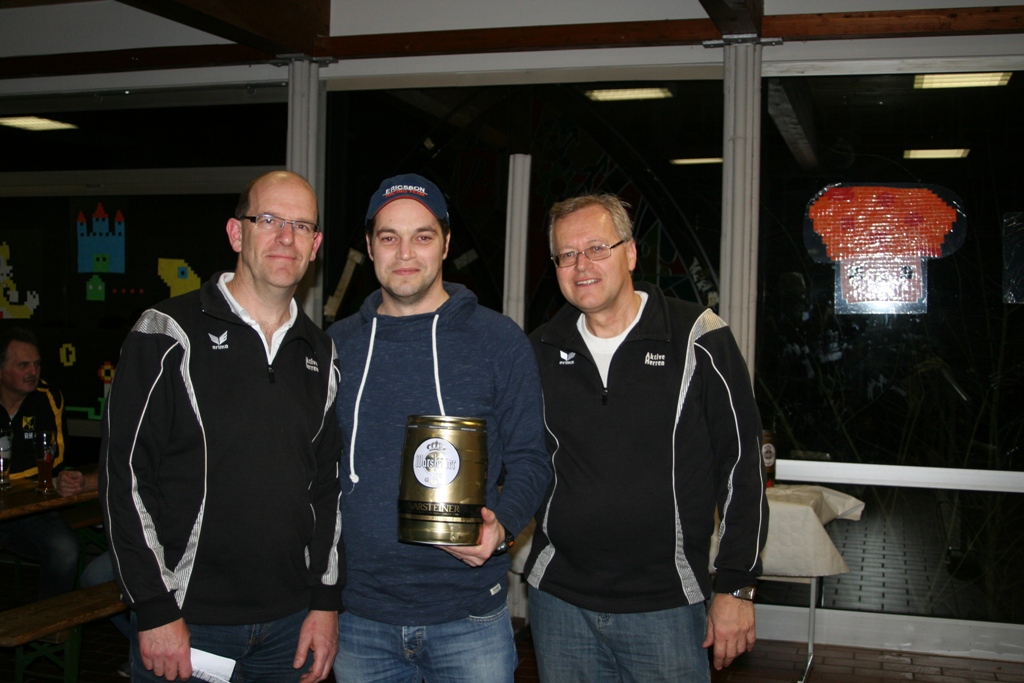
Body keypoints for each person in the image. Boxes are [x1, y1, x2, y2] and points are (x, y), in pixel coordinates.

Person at [100, 170, 345, 683]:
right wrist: (154, 607)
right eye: (269, 220)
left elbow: (326, 488)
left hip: (290, 626)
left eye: (301, 226)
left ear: (315, 245)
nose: (286, 237)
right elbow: (124, 479)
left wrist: (325, 601)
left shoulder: (321, 353)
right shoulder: (167, 333)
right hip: (187, 622)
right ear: (237, 233)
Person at [524, 194, 769, 682]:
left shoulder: (699, 337)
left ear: (631, 253)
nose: (581, 265)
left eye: (597, 248)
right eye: (567, 254)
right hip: (558, 603)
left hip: (666, 605)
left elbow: (742, 465)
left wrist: (736, 587)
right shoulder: (538, 350)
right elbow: (520, 462)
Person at [327, 173, 550, 682]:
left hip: (469, 617)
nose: (405, 252)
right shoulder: (337, 347)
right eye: (389, 237)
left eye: (422, 236)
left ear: (446, 244)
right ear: (370, 247)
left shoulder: (499, 341)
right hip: (359, 619)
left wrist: (502, 527)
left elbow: (532, 458)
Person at [0, 327, 80, 600]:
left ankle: (52, 621)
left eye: (36, 364)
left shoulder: (47, 397)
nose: (33, 372)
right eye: (23, 365)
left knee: (64, 549)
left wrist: (10, 479)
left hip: (30, 507)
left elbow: (54, 458)